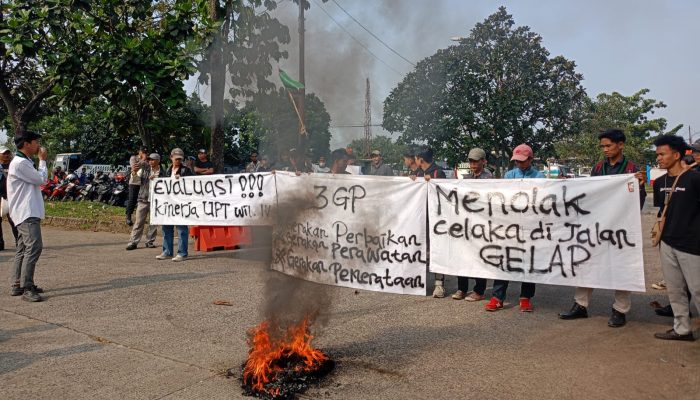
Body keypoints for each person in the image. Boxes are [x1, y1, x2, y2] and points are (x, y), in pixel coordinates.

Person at [559, 129, 646, 327]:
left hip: (622, 229)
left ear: (621, 145)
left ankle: (620, 310)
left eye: (609, 146)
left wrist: (639, 186)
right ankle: (580, 305)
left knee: (622, 267)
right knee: (587, 262)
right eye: (603, 147)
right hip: (598, 226)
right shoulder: (598, 168)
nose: (605, 150)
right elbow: (590, 194)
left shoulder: (631, 169)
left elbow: (637, 202)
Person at [651, 135, 700, 341]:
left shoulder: (695, 179)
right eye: (657, 155)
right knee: (675, 291)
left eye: (663, 154)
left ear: (677, 154)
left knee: (698, 290)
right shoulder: (660, 182)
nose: (659, 158)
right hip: (667, 243)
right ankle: (682, 329)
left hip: (692, 244)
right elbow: (661, 211)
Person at [485, 144, 544, 312]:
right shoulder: (509, 175)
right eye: (516, 161)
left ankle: (525, 297)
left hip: (530, 227)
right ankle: (497, 297)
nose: (519, 164)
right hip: (510, 226)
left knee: (528, 260)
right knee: (504, 259)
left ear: (531, 160)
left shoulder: (539, 177)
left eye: (522, 161)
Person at [7, 131, 48, 302]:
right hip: (26, 212)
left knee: (23, 248)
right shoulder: (20, 163)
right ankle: (27, 287)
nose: (38, 145)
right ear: (26, 144)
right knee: (34, 247)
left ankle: (17, 284)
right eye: (35, 142)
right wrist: (43, 160)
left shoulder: (24, 161)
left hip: (25, 211)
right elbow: (42, 180)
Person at [451, 148, 492, 302]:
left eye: (476, 161)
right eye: (471, 161)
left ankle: (479, 290)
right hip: (465, 224)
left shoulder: (489, 178)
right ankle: (462, 288)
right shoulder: (466, 178)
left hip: (480, 224)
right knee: (462, 255)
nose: (473, 164)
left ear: (483, 161)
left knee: (478, 256)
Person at [415, 148, 447, 298]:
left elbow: (444, 191)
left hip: (435, 219)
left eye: (416, 159)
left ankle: (439, 285)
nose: (415, 162)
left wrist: (432, 182)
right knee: (421, 249)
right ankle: (417, 282)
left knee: (437, 251)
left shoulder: (438, 173)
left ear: (420, 159)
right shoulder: (418, 174)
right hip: (421, 218)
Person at [157, 148, 192, 262]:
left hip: (181, 203)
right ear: (171, 157)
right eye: (176, 158)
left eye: (180, 159)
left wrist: (183, 180)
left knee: (181, 228)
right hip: (168, 203)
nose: (178, 161)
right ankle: (167, 251)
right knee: (166, 227)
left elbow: (193, 184)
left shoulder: (186, 170)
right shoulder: (167, 170)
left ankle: (182, 253)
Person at [126, 153, 162, 251]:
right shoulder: (145, 170)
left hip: (156, 200)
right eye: (149, 159)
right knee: (138, 222)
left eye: (153, 159)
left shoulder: (162, 172)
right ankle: (133, 242)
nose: (150, 161)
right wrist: (133, 172)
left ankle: (150, 241)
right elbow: (136, 180)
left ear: (158, 161)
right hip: (143, 199)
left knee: (153, 222)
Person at [0, 146, 19, 250]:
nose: (6, 155)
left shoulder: (13, 165)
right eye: (4, 153)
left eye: (8, 153)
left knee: (14, 220)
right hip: (0, 196)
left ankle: (19, 241)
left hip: (11, 196)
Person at [126, 146, 148, 226]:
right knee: (132, 200)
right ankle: (128, 216)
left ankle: (139, 218)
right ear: (139, 151)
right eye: (142, 151)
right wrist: (143, 160)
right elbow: (134, 168)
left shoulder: (147, 160)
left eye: (145, 152)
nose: (144, 153)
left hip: (144, 183)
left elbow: (148, 168)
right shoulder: (133, 158)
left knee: (141, 201)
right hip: (134, 181)